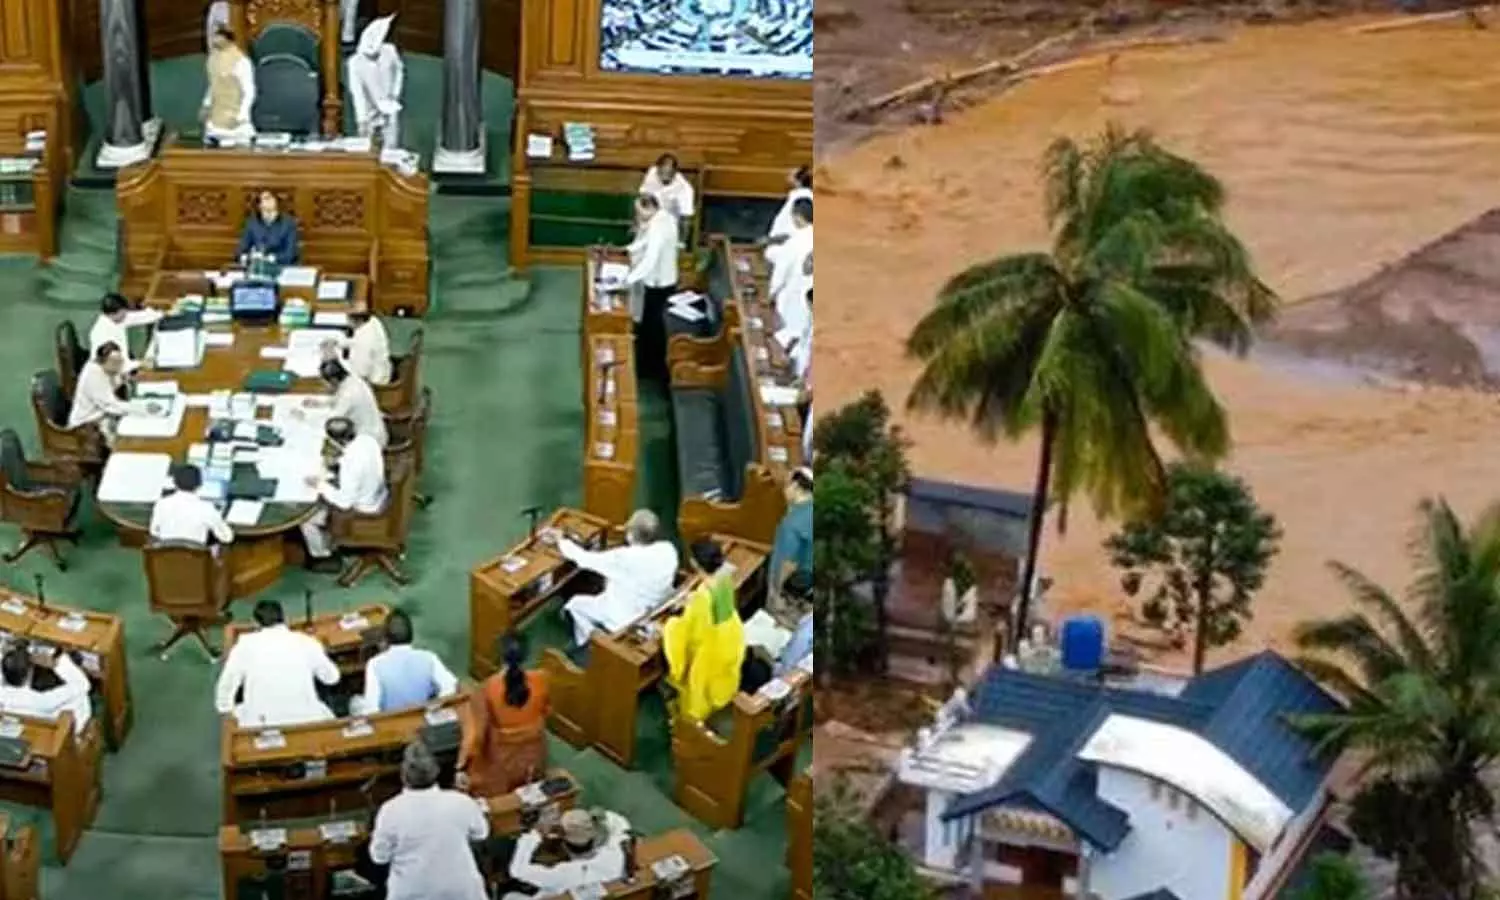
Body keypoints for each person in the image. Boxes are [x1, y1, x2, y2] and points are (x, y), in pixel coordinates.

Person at [369, 739, 490, 900]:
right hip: (462, 890)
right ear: (436, 772)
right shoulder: (461, 802)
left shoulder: (390, 810)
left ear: (403, 775)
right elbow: (481, 834)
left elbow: (379, 857)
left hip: (412, 892)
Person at [553, 509, 677, 647]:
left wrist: (561, 540)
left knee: (575, 605)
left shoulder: (624, 557)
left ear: (630, 534)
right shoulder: (669, 549)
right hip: (653, 609)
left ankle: (590, 644)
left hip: (625, 618)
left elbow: (583, 559)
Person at [214, 599, 340, 727]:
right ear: (284, 618)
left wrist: (225, 709)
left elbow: (227, 683)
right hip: (307, 721)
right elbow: (332, 678)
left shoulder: (244, 646)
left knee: (242, 712)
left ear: (256, 623)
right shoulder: (307, 642)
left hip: (260, 725)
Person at [457, 634, 550, 796]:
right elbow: (546, 711)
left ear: (500, 657)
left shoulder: (487, 688)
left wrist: (462, 764)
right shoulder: (541, 679)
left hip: (500, 759)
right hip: (532, 756)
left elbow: (477, 735)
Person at [663, 539, 745, 723]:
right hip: (731, 635)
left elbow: (694, 633)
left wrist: (672, 624)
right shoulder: (724, 577)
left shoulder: (702, 596)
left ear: (694, 563)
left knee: (698, 691)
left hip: (712, 646)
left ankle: (692, 724)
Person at [301, 416, 388, 570]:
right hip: (379, 495)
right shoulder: (368, 440)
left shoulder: (350, 463)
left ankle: (323, 556)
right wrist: (337, 463)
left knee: (307, 518)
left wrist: (319, 485)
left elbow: (344, 503)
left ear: (336, 441)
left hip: (363, 510)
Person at [506, 808, 631, 898]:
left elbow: (517, 871)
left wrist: (532, 835)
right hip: (603, 888)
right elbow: (620, 825)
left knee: (510, 897)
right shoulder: (614, 853)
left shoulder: (562, 874)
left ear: (565, 845)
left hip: (559, 894)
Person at [351, 610, 458, 716]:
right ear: (412, 635)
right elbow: (450, 686)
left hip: (391, 721)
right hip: (423, 716)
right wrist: (434, 707)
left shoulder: (374, 664)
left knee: (354, 702)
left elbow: (372, 709)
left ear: (386, 637)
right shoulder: (429, 657)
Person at [622, 192, 679, 383]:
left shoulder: (658, 226)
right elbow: (644, 242)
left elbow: (650, 259)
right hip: (662, 281)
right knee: (649, 326)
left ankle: (651, 371)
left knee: (653, 329)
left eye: (640, 212)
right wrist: (627, 250)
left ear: (651, 208)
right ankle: (646, 367)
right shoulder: (663, 218)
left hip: (659, 284)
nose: (638, 216)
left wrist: (628, 279)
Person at [0, 645, 92, 735]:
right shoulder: (45, 701)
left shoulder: (3, 695)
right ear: (29, 672)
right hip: (60, 731)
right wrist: (57, 663)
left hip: (24, 731)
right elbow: (83, 684)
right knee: (81, 696)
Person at [348, 16, 405, 149]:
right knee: (368, 144)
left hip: (389, 103)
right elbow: (357, 92)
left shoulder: (390, 51)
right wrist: (362, 119)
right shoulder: (355, 63)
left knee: (391, 142)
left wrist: (394, 93)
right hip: (369, 106)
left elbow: (399, 71)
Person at [309, 359, 388, 447]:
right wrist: (320, 403)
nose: (325, 386)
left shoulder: (348, 394)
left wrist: (306, 418)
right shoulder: (353, 380)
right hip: (374, 431)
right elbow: (339, 398)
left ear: (334, 380)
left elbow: (330, 420)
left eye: (325, 383)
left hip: (369, 441)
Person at [150, 464, 234, 546]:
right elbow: (227, 537)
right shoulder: (206, 508)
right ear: (200, 484)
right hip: (195, 554)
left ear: (174, 482)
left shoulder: (162, 504)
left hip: (166, 554)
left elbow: (154, 531)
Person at [767, 467, 814, 612]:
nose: (783, 490)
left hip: (794, 592)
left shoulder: (792, 524)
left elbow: (788, 563)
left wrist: (778, 592)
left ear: (796, 486)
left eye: (786, 485)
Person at [200, 25, 256, 144]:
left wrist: (242, 115)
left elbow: (249, 91)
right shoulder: (213, 59)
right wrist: (206, 105)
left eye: (218, 36)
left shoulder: (241, 61)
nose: (215, 39)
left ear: (227, 39)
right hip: (215, 121)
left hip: (236, 121)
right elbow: (213, 85)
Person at [68, 342, 129, 446]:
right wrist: (137, 408)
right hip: (85, 425)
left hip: (100, 416)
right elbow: (110, 405)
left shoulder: (105, 367)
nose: (119, 366)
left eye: (120, 361)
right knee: (122, 441)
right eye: (115, 363)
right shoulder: (94, 374)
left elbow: (116, 380)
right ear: (103, 361)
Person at [769, 199, 812, 332]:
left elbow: (780, 275)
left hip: (794, 298)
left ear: (797, 217)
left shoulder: (794, 243)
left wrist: (771, 294)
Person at [329, 305, 392, 386]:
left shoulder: (363, 340)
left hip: (374, 384)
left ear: (356, 320)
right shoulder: (372, 321)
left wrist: (336, 358)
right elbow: (358, 341)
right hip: (382, 370)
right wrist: (340, 343)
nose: (347, 323)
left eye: (347, 319)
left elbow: (360, 373)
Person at [764, 165, 812, 267]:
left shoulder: (802, 200)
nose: (787, 177)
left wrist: (774, 240)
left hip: (790, 247)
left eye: (790, 175)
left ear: (797, 181)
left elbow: (794, 228)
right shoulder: (797, 196)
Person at [237, 190, 301, 266]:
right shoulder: (251, 223)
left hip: (281, 266)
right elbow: (241, 250)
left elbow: (290, 254)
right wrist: (248, 257)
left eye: (270, 197)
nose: (268, 201)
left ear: (276, 201)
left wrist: (271, 258)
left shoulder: (288, 223)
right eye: (264, 198)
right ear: (259, 205)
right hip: (258, 266)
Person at [89, 292, 148, 372]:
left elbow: (136, 317)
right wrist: (141, 363)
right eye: (123, 313)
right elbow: (116, 366)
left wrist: (161, 313)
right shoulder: (103, 335)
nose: (125, 315)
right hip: (108, 374)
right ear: (112, 314)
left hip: (119, 367)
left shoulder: (113, 318)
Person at [638, 152, 694, 223]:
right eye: (661, 173)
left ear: (675, 172)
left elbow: (686, 218)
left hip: (670, 222)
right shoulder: (652, 172)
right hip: (650, 216)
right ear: (657, 168)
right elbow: (644, 195)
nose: (663, 177)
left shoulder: (685, 189)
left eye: (668, 174)